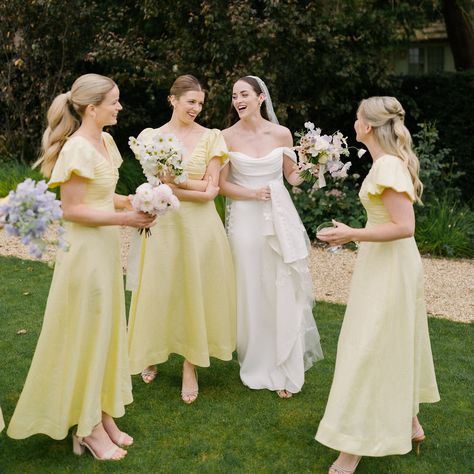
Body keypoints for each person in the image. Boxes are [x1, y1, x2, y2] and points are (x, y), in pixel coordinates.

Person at [7, 74, 155, 461]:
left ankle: (103, 415)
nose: (119, 107)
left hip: (105, 251)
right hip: (85, 256)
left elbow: (103, 197)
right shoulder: (76, 150)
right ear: (93, 109)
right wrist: (126, 221)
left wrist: (134, 202)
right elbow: (72, 210)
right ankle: (86, 430)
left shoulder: (105, 141)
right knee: (90, 332)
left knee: (106, 331)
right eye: (114, 102)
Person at [315, 96, 440, 473]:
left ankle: (351, 450)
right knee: (386, 341)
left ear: (367, 126)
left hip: (391, 266)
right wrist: (356, 235)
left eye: (356, 117)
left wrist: (351, 233)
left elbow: (405, 227)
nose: (354, 122)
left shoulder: (387, 166)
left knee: (367, 348)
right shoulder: (386, 163)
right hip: (383, 263)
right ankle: (411, 423)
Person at [127, 75, 236, 404]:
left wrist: (176, 182)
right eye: (191, 101)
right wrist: (189, 185)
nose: (196, 108)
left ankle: (190, 366)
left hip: (200, 231)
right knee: (159, 290)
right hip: (164, 227)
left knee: (194, 294)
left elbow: (210, 192)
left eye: (201, 103)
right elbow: (162, 186)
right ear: (172, 99)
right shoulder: (151, 138)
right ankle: (151, 352)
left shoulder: (212, 138)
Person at [219, 76, 323, 398]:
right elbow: (222, 184)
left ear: (261, 98)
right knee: (250, 287)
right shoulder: (224, 137)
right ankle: (254, 360)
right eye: (235, 95)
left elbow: (293, 178)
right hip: (245, 220)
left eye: (244, 94)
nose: (238, 100)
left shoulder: (282, 134)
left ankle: (283, 365)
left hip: (279, 218)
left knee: (280, 285)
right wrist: (252, 194)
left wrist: (314, 165)